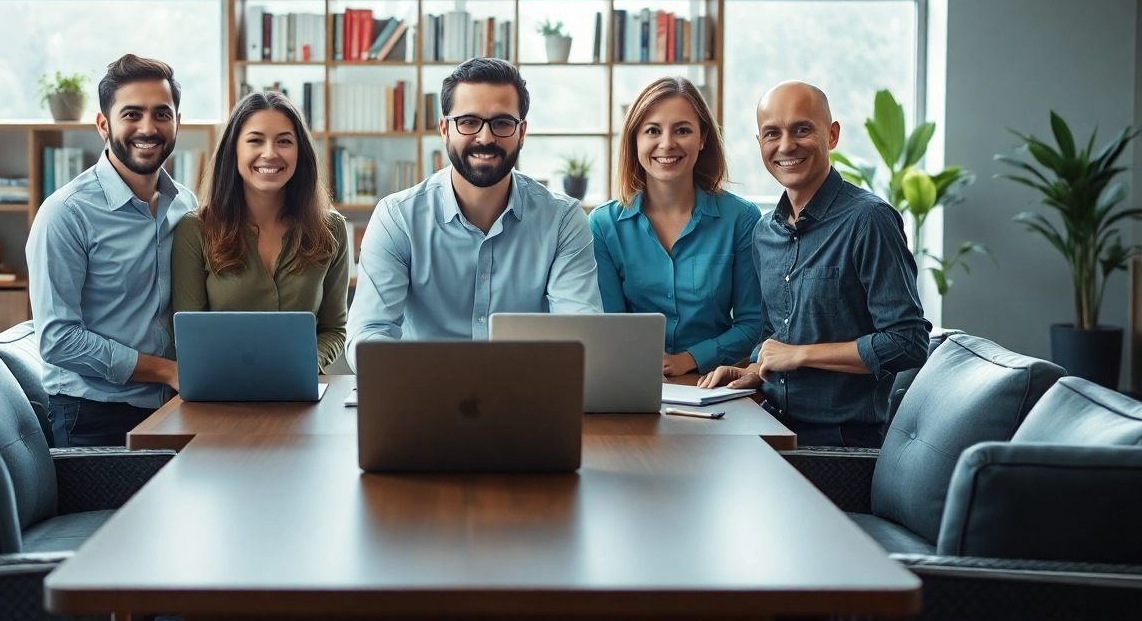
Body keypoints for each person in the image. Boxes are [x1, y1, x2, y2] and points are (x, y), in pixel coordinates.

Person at [699, 80, 930, 448]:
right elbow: (777, 332)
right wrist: (755, 371)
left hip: (841, 446)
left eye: (802, 129)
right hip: (770, 425)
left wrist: (800, 355)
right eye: (772, 133)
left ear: (832, 135)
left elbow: (908, 342)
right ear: (760, 143)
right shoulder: (764, 232)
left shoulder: (869, 220)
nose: (786, 145)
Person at [345, 57, 602, 366]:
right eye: (469, 122)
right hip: (423, 396)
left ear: (522, 132)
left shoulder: (563, 220)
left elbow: (581, 336)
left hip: (527, 397)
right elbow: (368, 334)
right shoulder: (397, 219)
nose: (485, 138)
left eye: (502, 123)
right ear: (444, 129)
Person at [26, 54, 196, 447]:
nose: (148, 128)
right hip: (93, 413)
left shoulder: (188, 206)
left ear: (177, 123)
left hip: (176, 405)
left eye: (161, 114)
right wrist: (167, 371)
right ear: (103, 125)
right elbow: (57, 338)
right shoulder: (65, 214)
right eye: (132, 114)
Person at [589, 77, 762, 377]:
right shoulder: (604, 225)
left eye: (682, 130)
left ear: (703, 137)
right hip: (630, 379)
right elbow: (609, 324)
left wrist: (689, 359)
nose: (667, 144)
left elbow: (753, 323)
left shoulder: (742, 218)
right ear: (635, 140)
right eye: (652, 131)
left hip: (714, 384)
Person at [171, 91, 348, 373]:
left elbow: (334, 329)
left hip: (300, 393)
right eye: (255, 140)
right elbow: (188, 336)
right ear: (234, 150)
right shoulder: (195, 230)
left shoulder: (332, 229)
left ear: (300, 152)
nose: (270, 153)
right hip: (220, 392)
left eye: (284, 142)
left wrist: (304, 364)